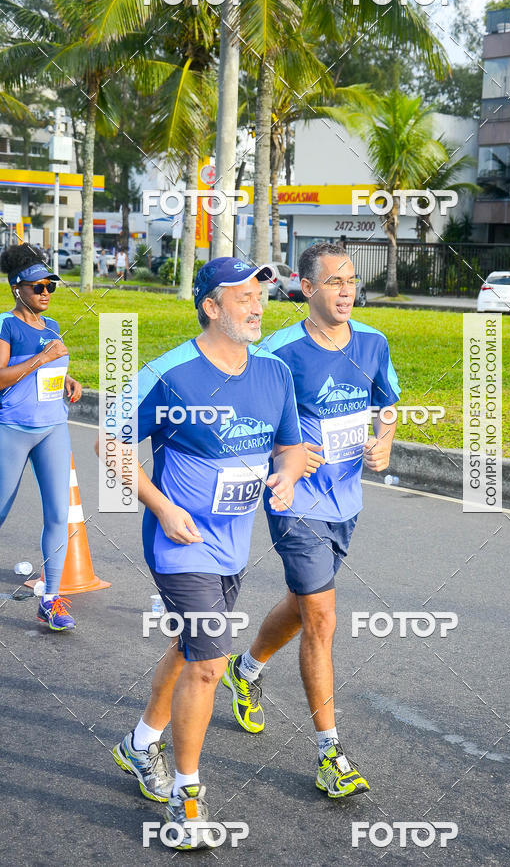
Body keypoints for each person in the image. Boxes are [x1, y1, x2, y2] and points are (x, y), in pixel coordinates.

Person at [102, 257, 306, 850]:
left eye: (260, 295)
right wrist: (162, 506)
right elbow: (108, 441)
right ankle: (185, 800)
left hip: (233, 544)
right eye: (241, 296)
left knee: (191, 648)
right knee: (211, 663)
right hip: (179, 541)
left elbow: (292, 447)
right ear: (210, 307)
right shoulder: (168, 375)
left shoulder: (274, 373)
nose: (256, 305)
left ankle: (139, 745)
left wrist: (288, 477)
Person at [223, 242, 400, 798]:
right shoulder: (277, 353)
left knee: (304, 607)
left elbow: (387, 405)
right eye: (334, 282)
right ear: (306, 288)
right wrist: (286, 456)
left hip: (347, 501)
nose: (346, 291)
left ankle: (245, 670)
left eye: (351, 281)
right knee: (323, 618)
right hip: (295, 503)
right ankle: (330, 754)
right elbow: (243, 423)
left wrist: (385, 445)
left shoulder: (372, 343)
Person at [0, 243, 82, 630]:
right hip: (13, 430)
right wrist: (40, 360)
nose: (46, 292)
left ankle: (50, 599)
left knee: (59, 515)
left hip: (53, 427)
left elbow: (45, 374)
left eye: (52, 285)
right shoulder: (7, 324)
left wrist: (66, 380)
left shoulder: (52, 327)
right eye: (38, 286)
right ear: (18, 288)